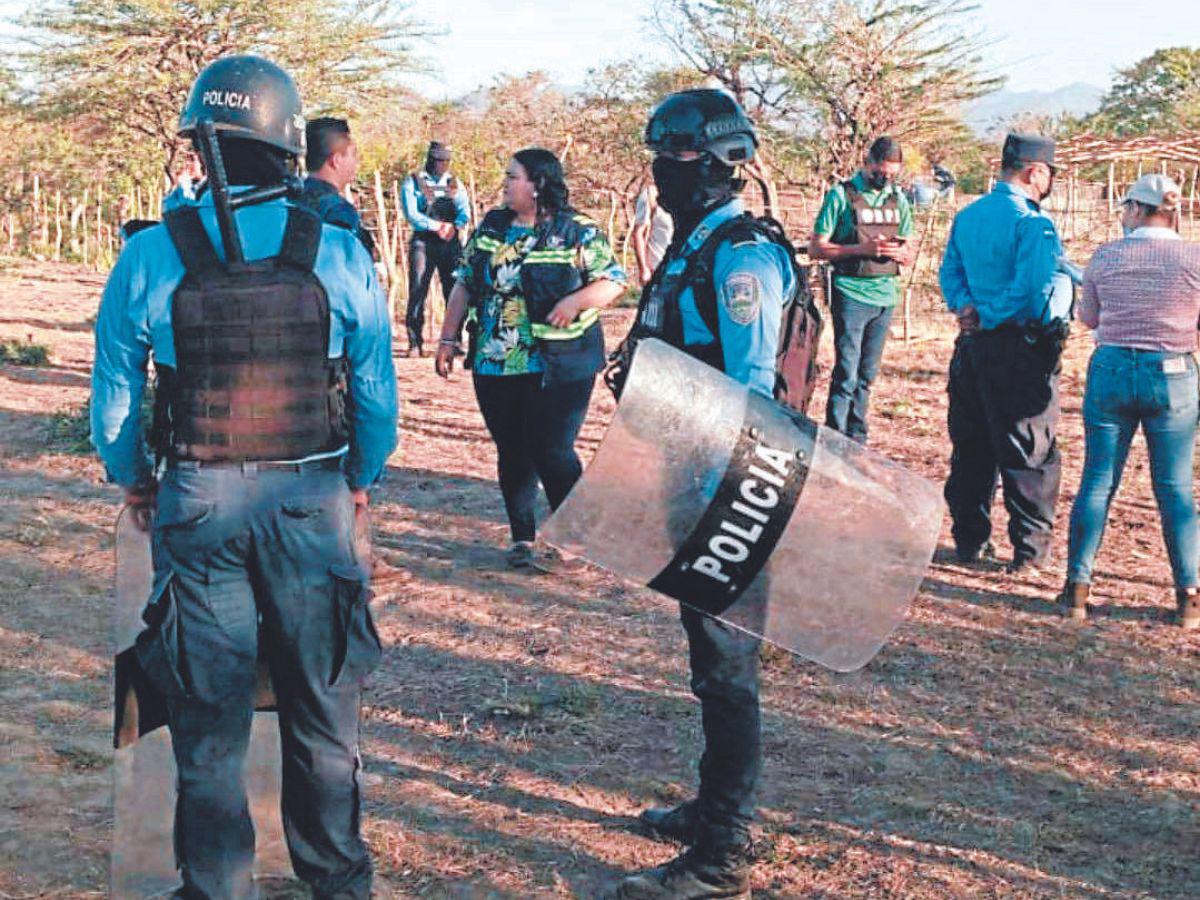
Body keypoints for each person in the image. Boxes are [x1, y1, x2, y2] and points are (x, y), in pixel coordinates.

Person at [90, 55, 397, 898]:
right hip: (313, 504)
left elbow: (115, 407)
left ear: (205, 145)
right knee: (323, 713)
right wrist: (360, 479)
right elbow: (376, 399)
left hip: (198, 506)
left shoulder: (150, 254)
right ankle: (336, 882)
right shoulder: (337, 252)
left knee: (209, 719)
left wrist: (135, 482)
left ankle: (218, 885)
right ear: (288, 146)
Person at [605, 88, 798, 900]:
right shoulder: (692, 244)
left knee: (727, 668)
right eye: (661, 155)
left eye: (679, 156)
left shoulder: (741, 254)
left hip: (733, 480)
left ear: (722, 160)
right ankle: (713, 807)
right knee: (707, 664)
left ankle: (723, 853)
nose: (664, 170)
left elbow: (748, 391)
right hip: (687, 471)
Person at [433, 147, 625, 569]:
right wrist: (448, 339)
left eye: (512, 176)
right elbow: (465, 282)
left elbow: (613, 281)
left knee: (552, 449)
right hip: (495, 360)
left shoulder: (577, 230)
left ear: (537, 184)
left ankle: (575, 540)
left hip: (560, 361)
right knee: (512, 450)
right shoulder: (493, 227)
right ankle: (522, 538)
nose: (504, 183)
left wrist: (575, 301)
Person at [1059, 174, 1200, 628]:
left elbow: (1089, 318)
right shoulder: (1194, 258)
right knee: (1175, 488)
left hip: (1112, 369)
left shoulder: (1107, 255)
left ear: (1138, 209)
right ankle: (1189, 596)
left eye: (1126, 208)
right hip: (1174, 373)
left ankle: (1077, 589)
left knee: (1098, 480)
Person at [939, 133, 1073, 574]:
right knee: (1029, 449)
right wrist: (995, 314)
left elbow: (950, 273)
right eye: (1049, 173)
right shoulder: (1034, 224)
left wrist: (967, 308)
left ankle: (969, 540)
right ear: (1035, 172)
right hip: (1018, 347)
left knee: (971, 445)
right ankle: (1030, 553)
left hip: (971, 346)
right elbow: (1032, 288)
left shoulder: (968, 216)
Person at [809, 136, 915, 444]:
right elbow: (817, 247)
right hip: (851, 292)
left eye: (893, 174)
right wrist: (861, 248)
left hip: (886, 295)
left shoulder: (899, 199)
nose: (885, 179)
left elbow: (908, 249)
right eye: (880, 172)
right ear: (866, 163)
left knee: (866, 375)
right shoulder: (841, 195)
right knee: (846, 372)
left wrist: (900, 255)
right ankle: (835, 438)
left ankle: (857, 439)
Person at [402, 141, 472, 356]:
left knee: (454, 291)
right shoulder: (413, 182)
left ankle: (455, 341)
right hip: (423, 242)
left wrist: (454, 227)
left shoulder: (455, 183)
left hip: (450, 242)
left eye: (444, 160)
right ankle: (415, 342)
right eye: (436, 160)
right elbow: (411, 214)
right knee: (417, 290)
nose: (440, 164)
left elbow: (464, 212)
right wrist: (435, 226)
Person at [299, 116, 374, 255]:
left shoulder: (287, 199)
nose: (357, 162)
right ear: (336, 160)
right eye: (353, 155)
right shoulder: (338, 211)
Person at [631, 180, 674, 285]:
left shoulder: (691, 194)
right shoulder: (651, 194)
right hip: (657, 268)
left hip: (682, 269)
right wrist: (644, 269)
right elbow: (639, 233)